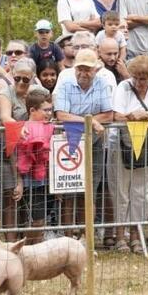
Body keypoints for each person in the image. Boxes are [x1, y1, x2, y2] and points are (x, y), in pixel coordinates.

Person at [111, 54, 148, 251]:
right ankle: (120, 236)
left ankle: (136, 235)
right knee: (121, 191)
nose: (138, 82)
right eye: (135, 77)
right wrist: (144, 121)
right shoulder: (124, 86)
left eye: (142, 79)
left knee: (142, 193)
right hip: (123, 143)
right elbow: (117, 114)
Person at [53, 49, 113, 230]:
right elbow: (61, 115)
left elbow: (109, 115)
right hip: (68, 142)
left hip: (94, 142)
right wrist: (91, 121)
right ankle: (68, 235)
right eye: (80, 68)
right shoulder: (65, 83)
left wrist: (89, 121)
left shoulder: (102, 83)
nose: (83, 73)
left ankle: (87, 236)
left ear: (95, 70)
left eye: (87, 69)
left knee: (90, 190)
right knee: (69, 191)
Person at [10, 90, 55, 243]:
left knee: (40, 221)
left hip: (44, 181)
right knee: (32, 221)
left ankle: (37, 252)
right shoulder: (22, 129)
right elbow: (13, 155)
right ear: (32, 111)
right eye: (46, 110)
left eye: (51, 109)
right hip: (27, 181)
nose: (49, 113)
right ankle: (29, 251)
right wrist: (19, 182)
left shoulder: (51, 127)